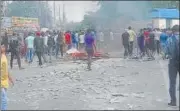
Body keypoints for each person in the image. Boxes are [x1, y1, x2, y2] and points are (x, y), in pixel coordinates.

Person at [165, 25, 179, 106]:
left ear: (173, 31)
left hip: (173, 63)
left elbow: (166, 52)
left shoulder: (169, 39)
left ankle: (173, 101)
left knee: (172, 82)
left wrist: (167, 55)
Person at [1, 44, 14, 110]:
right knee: (4, 100)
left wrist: (10, 79)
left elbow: (6, 69)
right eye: (2, 46)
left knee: (3, 100)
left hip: (5, 82)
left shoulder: (4, 56)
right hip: (1, 83)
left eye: (3, 46)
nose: (3, 47)